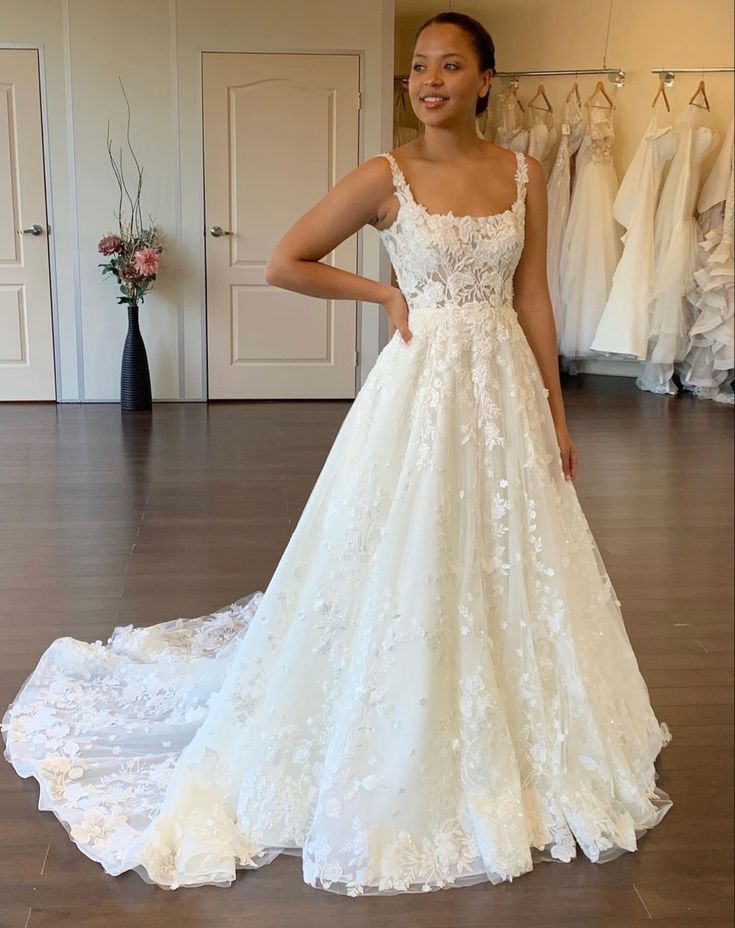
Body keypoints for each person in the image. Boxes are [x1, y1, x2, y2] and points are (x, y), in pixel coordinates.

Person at [1, 11, 672, 899]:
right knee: (404, 546)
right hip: (419, 388)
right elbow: (286, 260)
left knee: (507, 553)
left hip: (504, 387)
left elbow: (534, 296)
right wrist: (383, 295)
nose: (429, 79)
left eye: (450, 65)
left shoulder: (524, 172)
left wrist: (556, 410)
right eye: (418, 66)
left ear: (484, 81)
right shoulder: (385, 175)